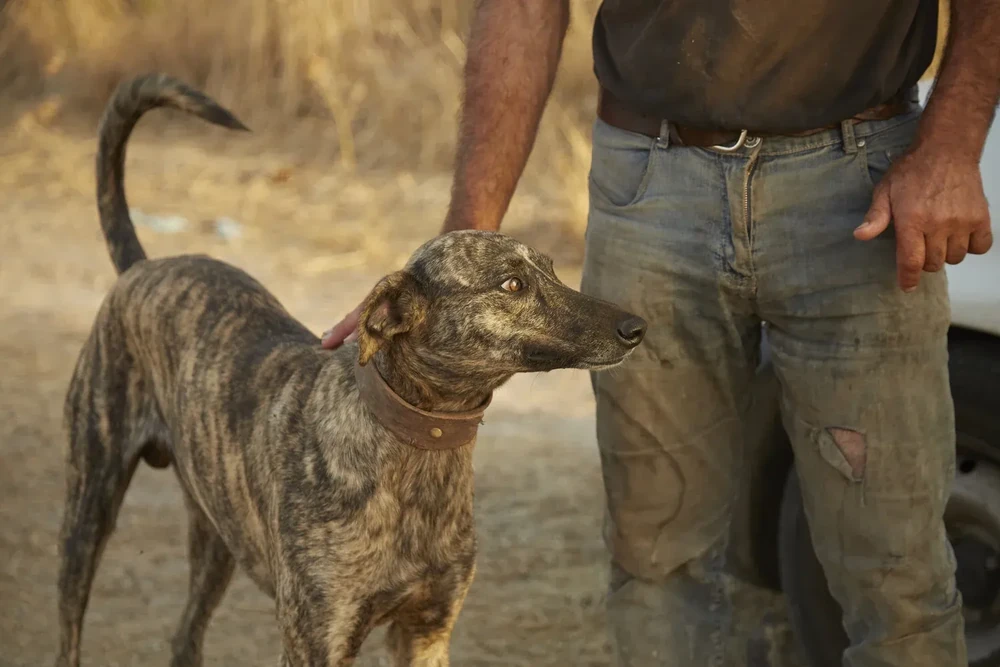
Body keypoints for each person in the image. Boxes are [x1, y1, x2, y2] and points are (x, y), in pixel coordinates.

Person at [322, 1, 998, 665]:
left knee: (898, 576)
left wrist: (952, 145)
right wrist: (457, 258)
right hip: (651, 184)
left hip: (859, 179)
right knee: (656, 563)